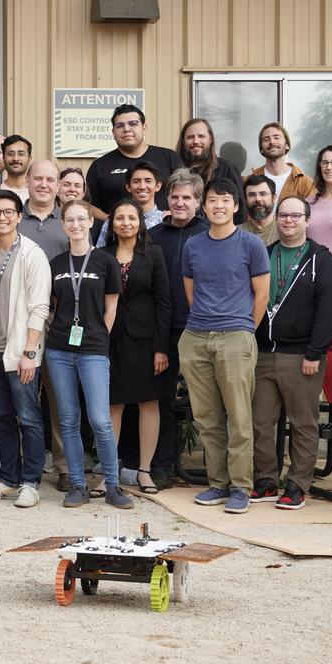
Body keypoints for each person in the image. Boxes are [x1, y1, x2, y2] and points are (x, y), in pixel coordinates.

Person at [180, 178, 270, 514]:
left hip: (236, 336)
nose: (218, 206)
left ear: (236, 206)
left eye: (225, 201)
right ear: (204, 207)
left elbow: (261, 296)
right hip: (196, 337)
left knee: (239, 416)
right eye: (213, 201)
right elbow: (192, 293)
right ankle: (217, 483)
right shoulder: (193, 246)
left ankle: (241, 487)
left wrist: (244, 329)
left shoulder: (251, 244)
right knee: (207, 417)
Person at [250, 196, 332, 509]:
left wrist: (314, 353)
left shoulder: (321, 259)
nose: (288, 220)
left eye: (295, 215)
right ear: (277, 218)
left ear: (307, 220)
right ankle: (265, 481)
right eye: (284, 215)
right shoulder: (264, 255)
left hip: (302, 355)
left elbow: (328, 310)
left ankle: (297, 485)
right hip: (263, 353)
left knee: (303, 423)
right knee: (260, 422)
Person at [42, 200, 132, 509]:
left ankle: (112, 485)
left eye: (82, 219)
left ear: (91, 223)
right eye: (70, 220)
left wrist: (102, 337)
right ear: (63, 225)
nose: (77, 224)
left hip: (93, 348)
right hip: (59, 350)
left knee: (99, 419)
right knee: (68, 419)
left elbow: (112, 306)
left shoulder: (105, 261)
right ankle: (78, 485)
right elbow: (52, 306)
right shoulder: (56, 264)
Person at [0, 190, 51, 508]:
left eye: (8, 212)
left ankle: (31, 481)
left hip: (20, 351)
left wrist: (31, 353)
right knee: (3, 417)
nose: (1, 217)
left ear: (19, 216)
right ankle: (7, 478)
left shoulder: (32, 254)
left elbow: (40, 307)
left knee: (28, 416)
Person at [102, 200, 171, 495]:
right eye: (120, 217)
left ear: (140, 223)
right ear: (112, 223)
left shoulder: (153, 253)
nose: (126, 222)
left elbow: (164, 302)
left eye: (132, 218)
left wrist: (161, 347)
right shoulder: (101, 255)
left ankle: (144, 471)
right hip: (109, 340)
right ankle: (108, 473)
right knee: (112, 404)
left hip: (145, 341)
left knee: (148, 403)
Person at [147, 169, 209, 487]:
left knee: (209, 401)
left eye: (187, 197)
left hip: (203, 327)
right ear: (166, 199)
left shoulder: (211, 233)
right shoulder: (155, 236)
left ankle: (217, 468)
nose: (180, 202)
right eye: (175, 197)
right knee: (162, 401)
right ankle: (162, 465)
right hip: (164, 329)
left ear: (198, 202)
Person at [85, 104, 181, 232]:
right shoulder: (100, 165)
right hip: (117, 236)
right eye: (120, 126)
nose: (126, 129)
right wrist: (113, 219)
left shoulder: (168, 157)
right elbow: (89, 206)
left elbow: (185, 192)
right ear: (113, 132)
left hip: (166, 231)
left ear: (144, 127)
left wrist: (175, 214)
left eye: (133, 124)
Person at [178, 118, 245, 213]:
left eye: (201, 136)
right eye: (190, 137)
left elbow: (240, 209)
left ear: (210, 139)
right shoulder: (175, 168)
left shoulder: (227, 168)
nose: (196, 141)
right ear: (183, 141)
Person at [95, 160, 167, 246]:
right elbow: (100, 255)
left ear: (158, 186)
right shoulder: (113, 222)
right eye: (136, 181)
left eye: (148, 181)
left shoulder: (165, 220)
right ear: (128, 186)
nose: (142, 186)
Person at [249, 122, 316, 205]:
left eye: (276, 137)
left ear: (287, 145)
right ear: (261, 149)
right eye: (266, 139)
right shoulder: (249, 181)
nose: (272, 142)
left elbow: (311, 214)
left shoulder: (305, 183)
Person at [242, 174, 279, 245]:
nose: (257, 199)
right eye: (252, 195)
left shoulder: (284, 230)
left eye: (263, 194)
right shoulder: (236, 233)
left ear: (274, 198)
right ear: (245, 199)